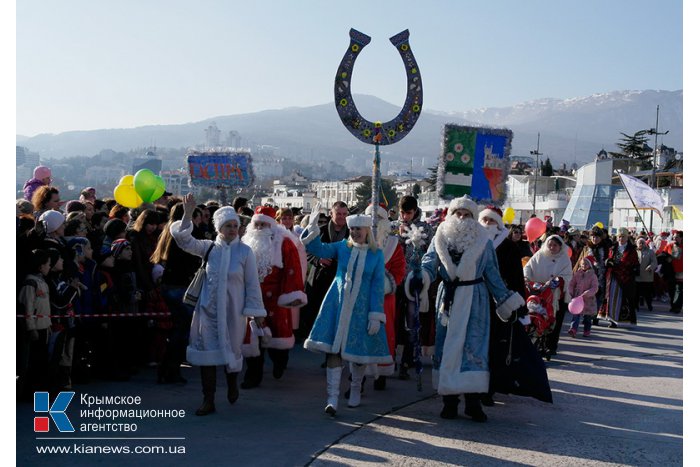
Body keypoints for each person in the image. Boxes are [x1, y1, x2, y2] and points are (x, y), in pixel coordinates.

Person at [409, 196, 525, 422]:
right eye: (458, 214)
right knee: (447, 348)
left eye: (467, 215)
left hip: (476, 300)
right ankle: (449, 402)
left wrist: (506, 300)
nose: (462, 218)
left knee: (473, 349)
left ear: (473, 218)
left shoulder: (484, 241)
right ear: (451, 215)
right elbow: (429, 264)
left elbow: (493, 274)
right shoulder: (440, 236)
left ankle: (473, 403)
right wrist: (420, 276)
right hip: (448, 300)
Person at [170, 193, 266, 416]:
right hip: (208, 311)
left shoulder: (245, 252)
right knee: (207, 355)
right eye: (228, 226)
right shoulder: (208, 248)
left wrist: (255, 312)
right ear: (219, 228)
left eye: (235, 225)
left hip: (234, 312)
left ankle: (232, 383)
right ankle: (208, 400)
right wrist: (186, 214)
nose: (233, 229)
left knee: (231, 352)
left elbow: (252, 284)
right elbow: (183, 240)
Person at [301, 210, 391, 416]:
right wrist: (313, 228)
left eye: (358, 228)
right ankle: (332, 398)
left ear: (367, 230)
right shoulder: (342, 247)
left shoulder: (376, 255)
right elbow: (318, 249)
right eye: (352, 229)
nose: (354, 232)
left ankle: (356, 387)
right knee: (335, 350)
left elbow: (378, 285)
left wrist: (375, 314)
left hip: (362, 309)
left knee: (357, 354)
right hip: (337, 305)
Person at [240, 206, 307, 388]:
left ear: (271, 225)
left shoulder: (284, 242)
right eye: (257, 224)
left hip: (275, 297)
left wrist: (290, 294)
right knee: (253, 337)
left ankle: (280, 361)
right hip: (253, 297)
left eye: (264, 224)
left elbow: (293, 269)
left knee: (277, 337)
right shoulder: (246, 241)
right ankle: (253, 375)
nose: (260, 228)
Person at [150, 202, 202, 384]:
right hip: (179, 286)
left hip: (170, 284)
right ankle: (171, 370)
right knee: (181, 331)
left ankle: (166, 369)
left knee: (177, 330)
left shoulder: (167, 233)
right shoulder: (183, 233)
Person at [361, 204, 406, 391]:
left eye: (378, 218)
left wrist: (384, 285)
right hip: (362, 296)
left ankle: (382, 372)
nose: (374, 223)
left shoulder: (394, 245)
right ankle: (359, 379)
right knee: (361, 334)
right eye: (371, 218)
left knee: (384, 334)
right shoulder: (358, 240)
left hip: (384, 298)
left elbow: (399, 270)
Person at [392, 195, 434, 380]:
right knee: (392, 319)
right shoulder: (393, 226)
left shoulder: (425, 228)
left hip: (413, 280)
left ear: (415, 211)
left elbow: (429, 254)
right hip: (394, 280)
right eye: (402, 212)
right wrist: (397, 235)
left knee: (412, 322)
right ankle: (389, 358)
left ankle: (406, 362)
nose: (404, 216)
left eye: (408, 213)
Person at [299, 201, 350, 341]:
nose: (342, 217)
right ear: (331, 214)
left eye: (344, 214)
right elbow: (306, 249)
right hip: (319, 277)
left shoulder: (353, 233)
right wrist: (318, 260)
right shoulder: (319, 230)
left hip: (341, 277)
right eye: (338, 214)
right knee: (315, 309)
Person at [524, 235, 573, 356]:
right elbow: (528, 267)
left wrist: (557, 281)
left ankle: (551, 346)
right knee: (535, 318)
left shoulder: (564, 259)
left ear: (560, 246)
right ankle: (534, 343)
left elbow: (567, 275)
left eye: (555, 245)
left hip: (554, 294)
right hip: (537, 292)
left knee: (554, 321)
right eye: (550, 244)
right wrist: (526, 278)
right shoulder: (540, 255)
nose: (552, 247)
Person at [598, 228, 639, 327]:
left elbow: (635, 263)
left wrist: (626, 267)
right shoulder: (613, 247)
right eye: (619, 236)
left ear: (627, 237)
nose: (621, 238)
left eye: (623, 236)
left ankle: (618, 319)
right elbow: (608, 259)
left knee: (622, 300)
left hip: (625, 279)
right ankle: (611, 320)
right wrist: (608, 261)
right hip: (612, 277)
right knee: (611, 299)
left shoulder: (631, 250)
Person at [567, 255, 599, 337]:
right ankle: (573, 329)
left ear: (590, 265)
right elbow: (572, 283)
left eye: (585, 264)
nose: (583, 266)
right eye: (582, 264)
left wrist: (589, 292)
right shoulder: (577, 274)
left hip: (588, 299)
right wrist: (571, 291)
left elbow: (595, 287)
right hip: (577, 298)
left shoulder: (592, 276)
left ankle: (587, 330)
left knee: (587, 317)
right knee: (576, 315)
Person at [635, 237, 658, 313]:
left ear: (645, 243)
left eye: (642, 242)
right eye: (639, 243)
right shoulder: (634, 252)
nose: (641, 244)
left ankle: (649, 305)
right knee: (636, 293)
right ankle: (636, 306)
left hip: (647, 277)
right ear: (637, 244)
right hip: (637, 276)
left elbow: (654, 262)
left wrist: (650, 266)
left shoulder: (650, 252)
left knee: (647, 293)